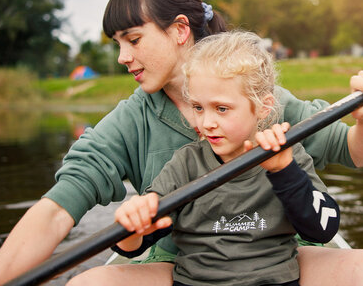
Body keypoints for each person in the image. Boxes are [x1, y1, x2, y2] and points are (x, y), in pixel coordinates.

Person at [0, 0, 363, 286]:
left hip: (273, 255)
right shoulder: (131, 120)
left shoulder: (265, 103)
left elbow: (357, 152)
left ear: (180, 30)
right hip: (181, 266)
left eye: (133, 39)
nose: (122, 57)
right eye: (117, 43)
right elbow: (57, 210)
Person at [109, 30, 342, 285]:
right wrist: (131, 228)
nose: (207, 123)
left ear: (263, 107)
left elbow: (322, 228)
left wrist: (284, 171)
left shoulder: (289, 156)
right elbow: (139, 242)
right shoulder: (186, 165)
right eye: (198, 107)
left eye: (222, 109)